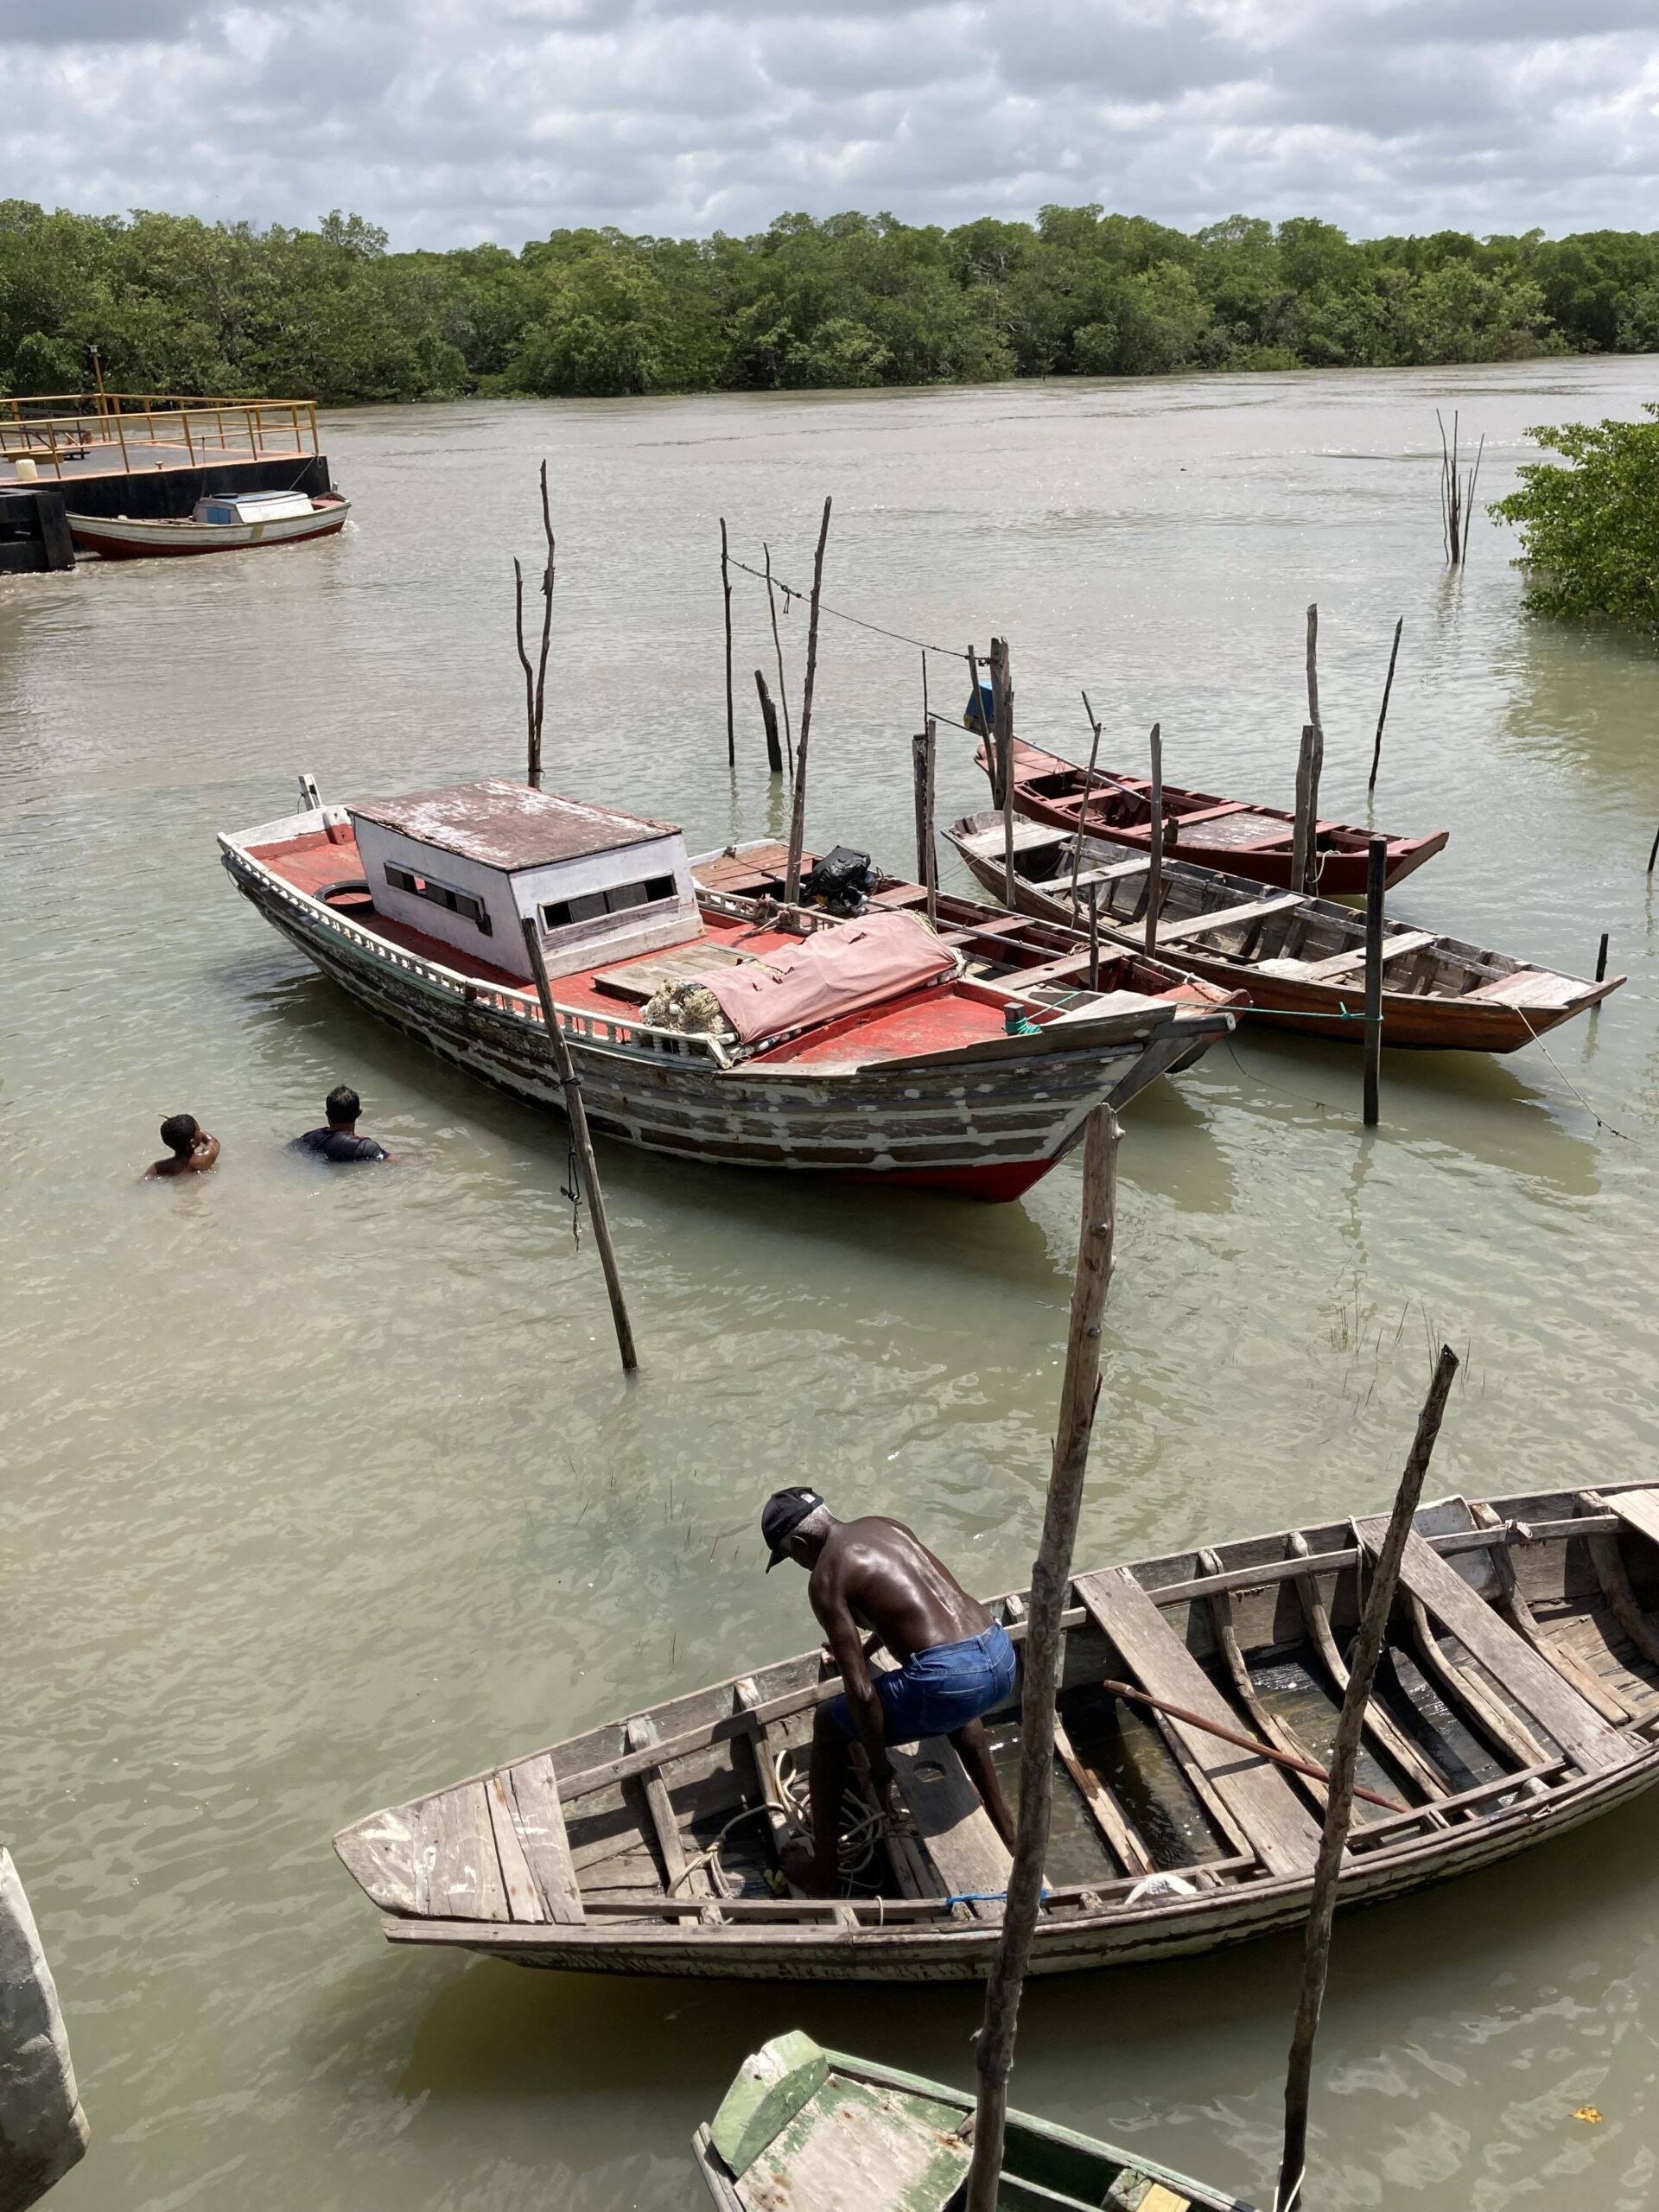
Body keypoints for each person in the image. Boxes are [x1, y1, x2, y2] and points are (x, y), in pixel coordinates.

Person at [760, 1486, 1018, 1897]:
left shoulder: (826, 1576)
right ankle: (1007, 1830)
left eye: (792, 1558)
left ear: (799, 1543)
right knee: (957, 1690)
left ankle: (823, 1874)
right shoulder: (884, 1526)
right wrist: (862, 1651)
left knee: (829, 1721)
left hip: (953, 1681)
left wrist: (880, 1771)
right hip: (1000, 1655)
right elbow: (907, 1608)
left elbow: (861, 1694)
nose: (800, 1564)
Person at [288, 1084, 392, 1165]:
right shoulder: (366, 1148)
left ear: (327, 1115)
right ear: (358, 1113)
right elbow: (394, 1162)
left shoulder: (309, 1137)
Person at [143, 1114, 219, 1179]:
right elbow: (213, 1142)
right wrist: (185, 1129)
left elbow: (142, 1182)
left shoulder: (161, 1167)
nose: (200, 1132)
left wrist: (177, 1128)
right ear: (192, 1143)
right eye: (198, 1130)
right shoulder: (204, 1159)